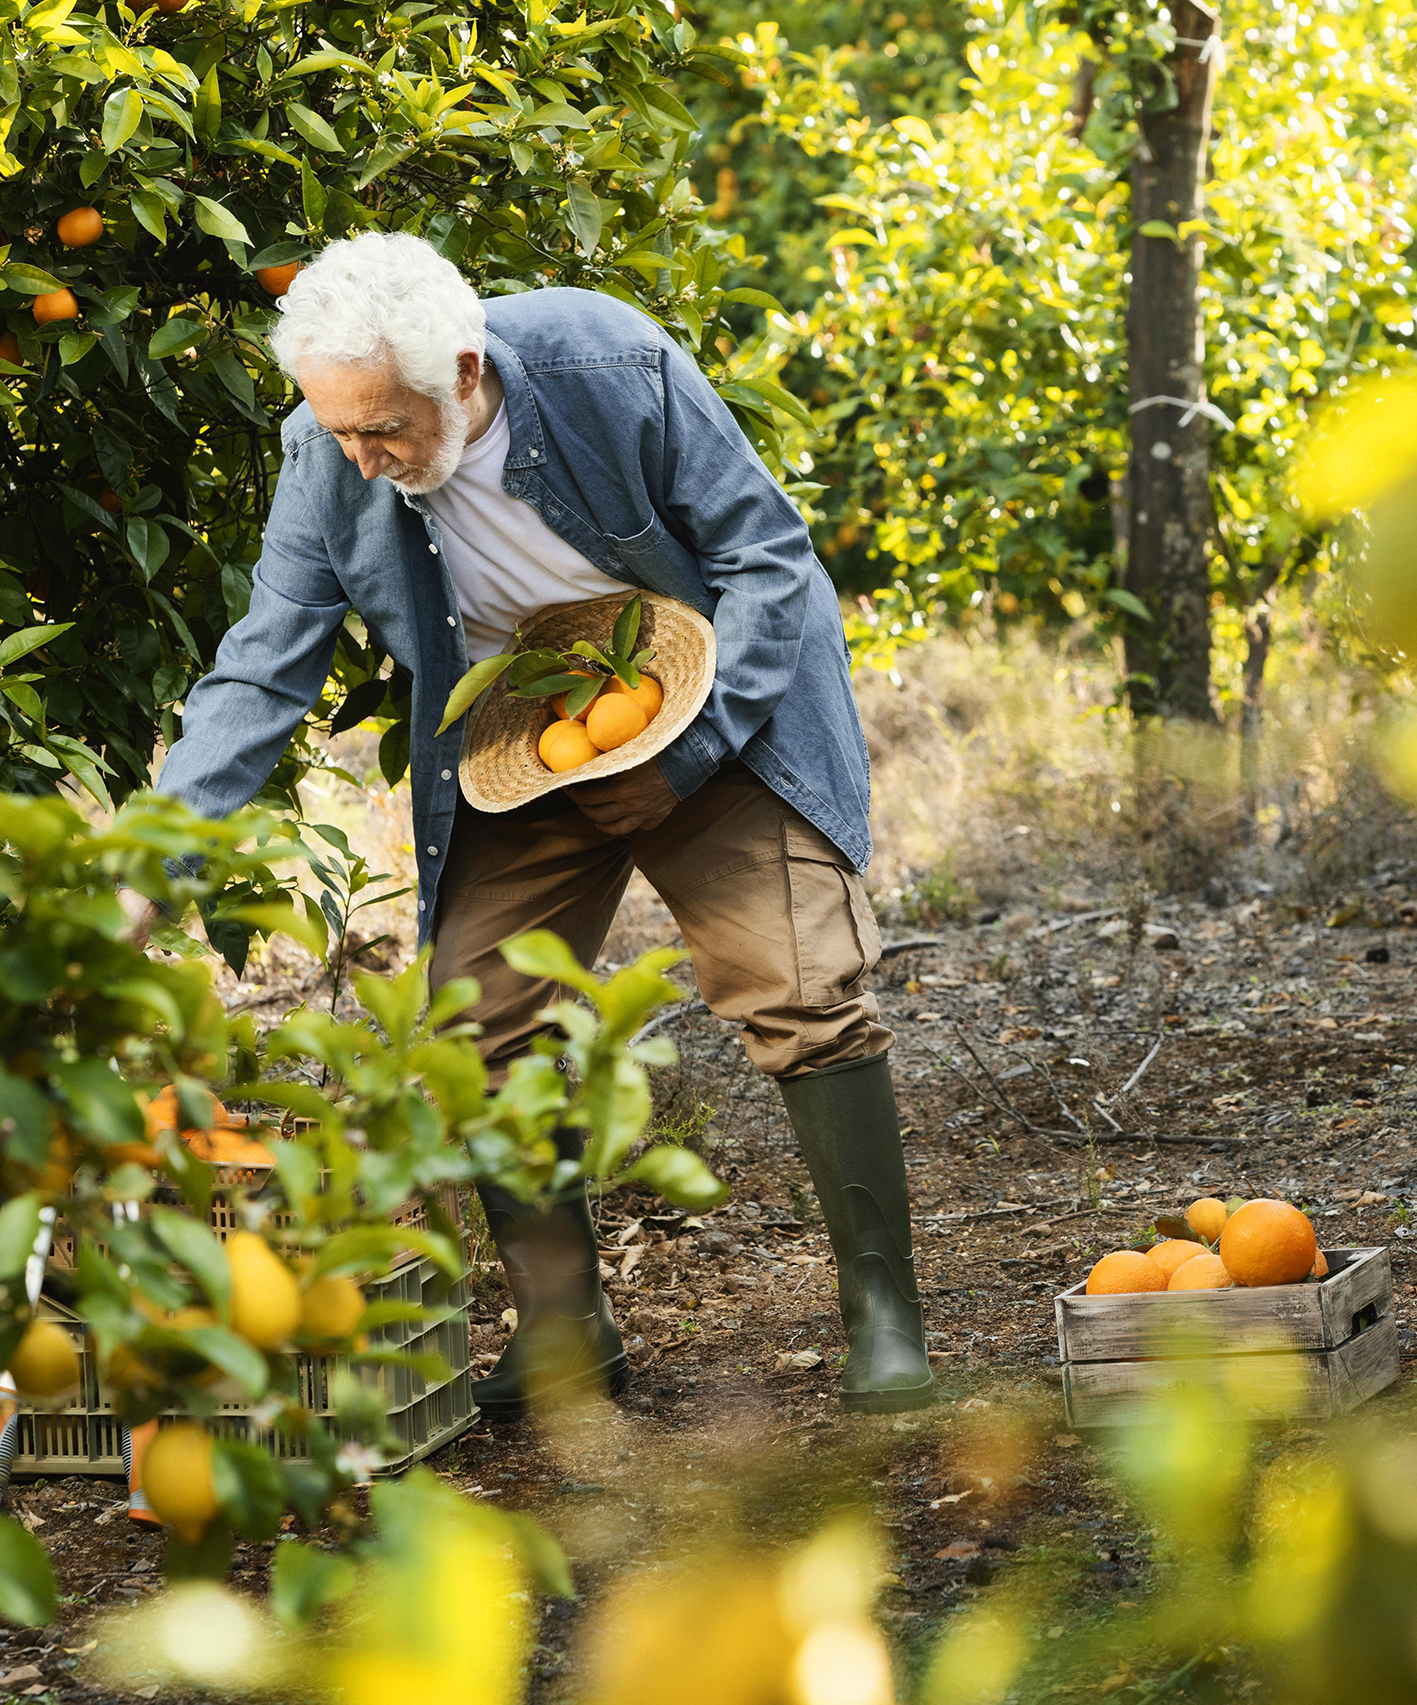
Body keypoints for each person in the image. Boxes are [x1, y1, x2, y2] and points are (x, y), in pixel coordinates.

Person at [120, 232, 934, 1417]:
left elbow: (768, 557)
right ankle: (565, 1327)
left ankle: (883, 1320)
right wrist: (148, 864)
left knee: (800, 983)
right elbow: (260, 671)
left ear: (460, 370)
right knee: (476, 1021)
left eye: (381, 427)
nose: (361, 455)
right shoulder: (327, 453)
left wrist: (692, 754)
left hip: (705, 698)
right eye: (340, 428)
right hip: (525, 744)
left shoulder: (607, 364)